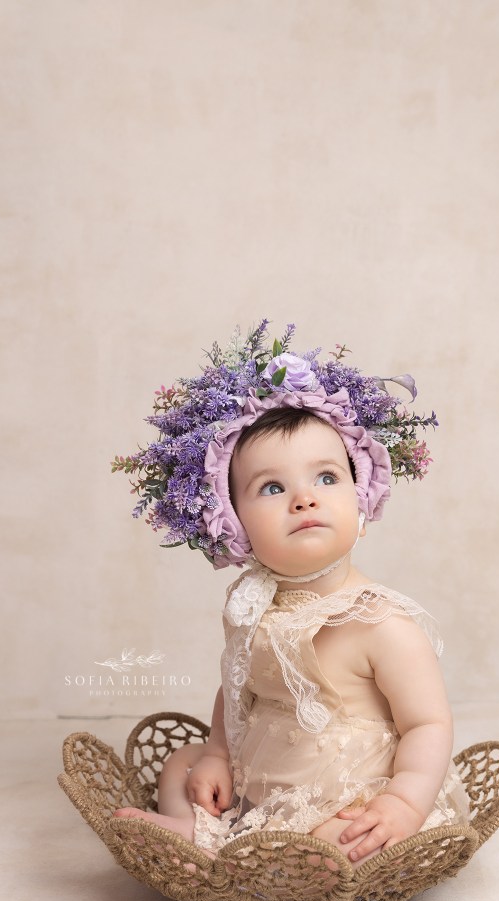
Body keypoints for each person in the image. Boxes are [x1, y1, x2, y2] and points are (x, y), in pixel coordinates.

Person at [112, 322, 470, 869]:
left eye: (326, 478)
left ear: (361, 498)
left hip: (349, 794)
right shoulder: (253, 604)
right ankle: (195, 829)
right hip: (262, 777)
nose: (304, 499)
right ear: (233, 522)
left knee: (342, 843)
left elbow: (428, 723)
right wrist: (218, 753)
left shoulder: (381, 622)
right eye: (272, 488)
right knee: (185, 761)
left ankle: (246, 854)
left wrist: (403, 802)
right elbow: (237, 688)